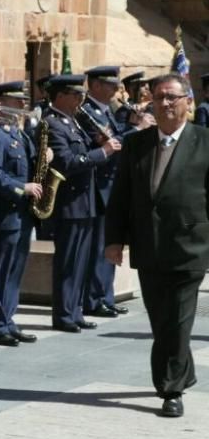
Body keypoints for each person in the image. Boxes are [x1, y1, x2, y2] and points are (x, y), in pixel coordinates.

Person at [105, 73, 209, 418]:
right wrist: (114, 239)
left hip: (190, 245)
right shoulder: (137, 144)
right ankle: (184, 371)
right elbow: (121, 196)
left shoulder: (205, 141)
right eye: (159, 98)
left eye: (173, 98)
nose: (165, 104)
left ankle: (170, 389)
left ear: (187, 102)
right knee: (162, 320)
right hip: (148, 246)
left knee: (178, 319)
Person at [42, 74, 121, 332]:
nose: (80, 99)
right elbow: (67, 162)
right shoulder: (53, 124)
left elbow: (83, 153)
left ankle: (74, 311)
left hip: (84, 202)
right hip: (69, 203)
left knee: (80, 262)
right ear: (61, 96)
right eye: (75, 95)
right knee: (68, 262)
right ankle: (64, 314)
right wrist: (103, 152)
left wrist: (98, 142)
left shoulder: (73, 122)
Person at [0, 81, 43, 346]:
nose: (23, 106)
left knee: (15, 271)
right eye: (17, 101)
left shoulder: (18, 134)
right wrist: (20, 188)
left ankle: (8, 319)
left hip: (22, 215)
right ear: (2, 103)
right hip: (2, 214)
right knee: (0, 272)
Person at [81, 66, 129, 319]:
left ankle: (105, 296)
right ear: (96, 85)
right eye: (110, 84)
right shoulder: (87, 111)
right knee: (100, 245)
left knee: (110, 243)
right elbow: (110, 143)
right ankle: (94, 298)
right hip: (99, 186)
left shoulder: (104, 110)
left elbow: (116, 137)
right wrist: (137, 130)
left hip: (110, 185)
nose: (115, 89)